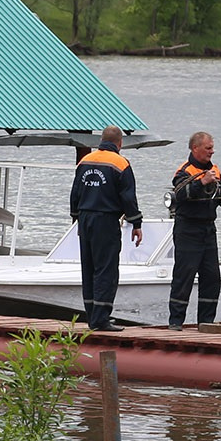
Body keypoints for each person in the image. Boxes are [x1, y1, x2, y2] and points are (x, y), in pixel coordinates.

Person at [71, 125, 143, 332]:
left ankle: (92, 316)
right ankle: (101, 319)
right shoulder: (120, 163)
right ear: (120, 143)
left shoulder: (85, 161)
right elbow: (128, 197)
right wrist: (136, 223)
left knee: (88, 268)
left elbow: (75, 192)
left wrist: (75, 217)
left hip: (85, 218)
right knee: (106, 270)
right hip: (105, 219)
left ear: (101, 141)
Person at [168, 131, 221, 329]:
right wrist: (201, 182)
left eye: (212, 148)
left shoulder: (214, 170)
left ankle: (206, 322)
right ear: (195, 148)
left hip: (208, 229)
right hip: (188, 229)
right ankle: (175, 322)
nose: (212, 152)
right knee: (184, 276)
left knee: (212, 277)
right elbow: (180, 194)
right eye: (208, 148)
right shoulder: (185, 171)